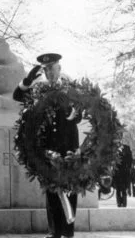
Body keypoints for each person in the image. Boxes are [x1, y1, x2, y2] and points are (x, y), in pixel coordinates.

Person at [13, 53, 81, 238]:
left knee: (68, 188)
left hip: (68, 146)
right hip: (48, 148)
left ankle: (68, 232)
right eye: (46, 69)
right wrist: (27, 80)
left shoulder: (70, 89)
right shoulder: (39, 89)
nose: (49, 72)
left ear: (59, 68)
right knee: (51, 190)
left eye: (52, 68)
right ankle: (54, 232)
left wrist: (76, 113)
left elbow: (80, 113)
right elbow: (17, 96)